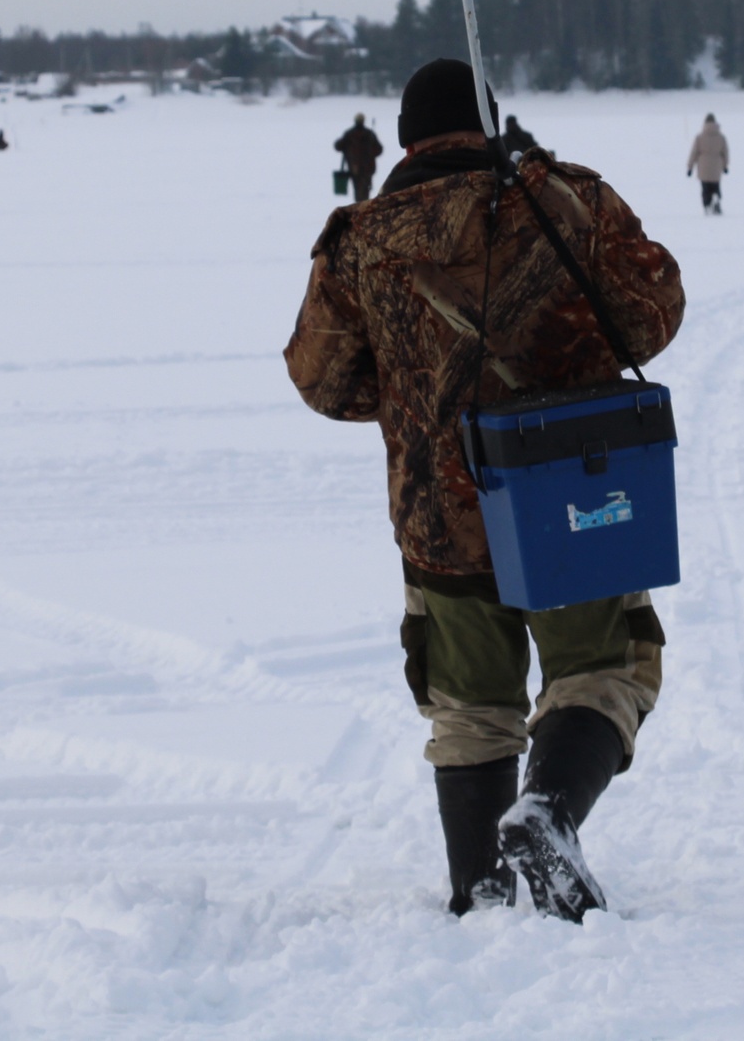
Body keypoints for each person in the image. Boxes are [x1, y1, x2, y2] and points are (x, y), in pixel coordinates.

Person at [285, 59, 685, 922]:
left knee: (467, 705)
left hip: (442, 509)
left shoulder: (362, 238)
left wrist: (409, 398)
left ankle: (480, 888)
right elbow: (654, 312)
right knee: (605, 668)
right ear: (494, 123)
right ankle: (548, 809)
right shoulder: (564, 200)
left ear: (405, 137)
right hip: (573, 487)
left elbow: (320, 379)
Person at [334, 113, 384, 204]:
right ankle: (364, 208)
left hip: (355, 167)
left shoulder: (349, 134)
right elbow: (379, 149)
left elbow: (338, 146)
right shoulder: (369, 134)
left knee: (358, 189)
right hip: (368, 168)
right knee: (365, 190)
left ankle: (359, 208)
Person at [687, 113, 729, 214]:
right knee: (716, 186)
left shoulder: (700, 137)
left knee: (705, 189)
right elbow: (725, 152)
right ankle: (716, 198)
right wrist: (725, 166)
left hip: (703, 167)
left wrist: (690, 167)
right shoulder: (721, 137)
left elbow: (694, 153)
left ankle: (707, 205)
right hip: (716, 167)